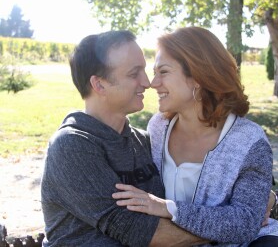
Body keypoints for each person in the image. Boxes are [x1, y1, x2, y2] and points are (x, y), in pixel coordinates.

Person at [112, 27, 278, 246]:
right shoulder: (158, 128)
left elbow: (245, 223)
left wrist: (168, 207)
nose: (153, 82)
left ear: (197, 77)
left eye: (164, 72)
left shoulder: (249, 141)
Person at [40, 30, 208, 246]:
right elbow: (138, 231)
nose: (147, 82)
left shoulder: (145, 141)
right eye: (133, 74)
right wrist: (233, 228)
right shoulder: (71, 145)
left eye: (144, 71)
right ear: (99, 85)